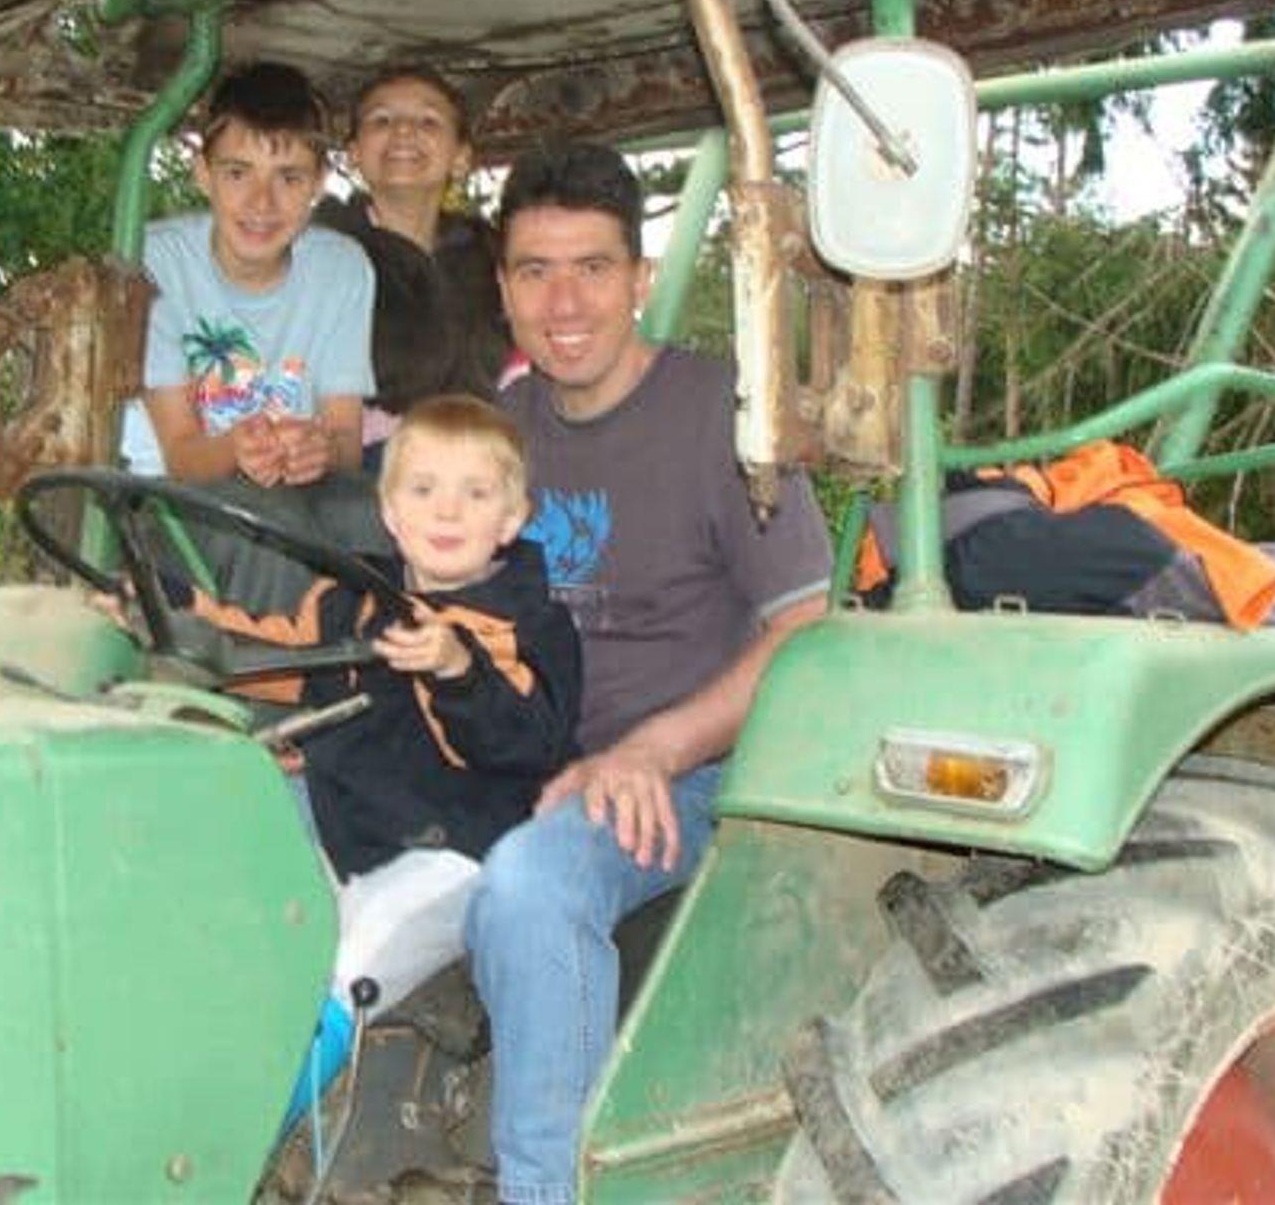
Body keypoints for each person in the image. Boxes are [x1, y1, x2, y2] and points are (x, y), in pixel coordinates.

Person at [469, 144, 833, 1205]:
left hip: (701, 773)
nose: (563, 301)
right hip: (539, 761)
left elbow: (805, 630)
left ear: (638, 277)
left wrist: (650, 750)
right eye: (535, 270)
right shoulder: (501, 432)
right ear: (503, 290)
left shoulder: (720, 412)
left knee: (533, 887)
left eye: (592, 267)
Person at [175, 394, 581, 1116]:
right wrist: (183, 614)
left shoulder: (528, 627)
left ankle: (251, 1135)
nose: (447, 511)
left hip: (457, 849)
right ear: (390, 512)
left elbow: (526, 744)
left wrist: (458, 671)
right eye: (423, 490)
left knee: (355, 958)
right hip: (348, 825)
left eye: (475, 493)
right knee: (215, 875)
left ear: (511, 519)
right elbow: (278, 657)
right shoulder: (352, 599)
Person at [121, 61, 382, 606]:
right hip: (174, 499)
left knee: (390, 513)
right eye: (238, 173)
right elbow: (182, 455)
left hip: (298, 492)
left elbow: (345, 441)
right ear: (202, 173)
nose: (262, 204)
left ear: (319, 183)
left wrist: (316, 450)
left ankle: (403, 656)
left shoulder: (343, 268)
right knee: (271, 527)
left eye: (288, 178)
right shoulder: (156, 261)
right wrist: (237, 450)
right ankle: (271, 664)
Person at [315, 67, 513, 461]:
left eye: (428, 121)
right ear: (353, 154)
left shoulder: (494, 252)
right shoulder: (320, 253)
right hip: (369, 463)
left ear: (461, 157)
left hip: (489, 456)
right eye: (382, 120)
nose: (404, 131)